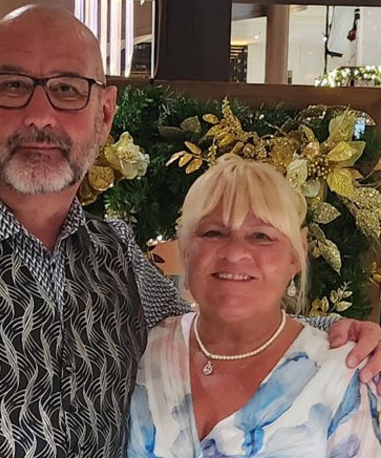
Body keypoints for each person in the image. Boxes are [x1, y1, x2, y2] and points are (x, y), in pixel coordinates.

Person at [0, 4, 381, 457]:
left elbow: (221, 324)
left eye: (68, 89)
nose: (41, 115)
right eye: (13, 86)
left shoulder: (114, 255)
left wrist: (346, 339)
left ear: (105, 112)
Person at [128, 155, 381, 457]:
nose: (235, 253)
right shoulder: (140, 348)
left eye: (261, 236)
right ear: (185, 249)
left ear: (296, 255)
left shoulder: (345, 374)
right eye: (213, 232)